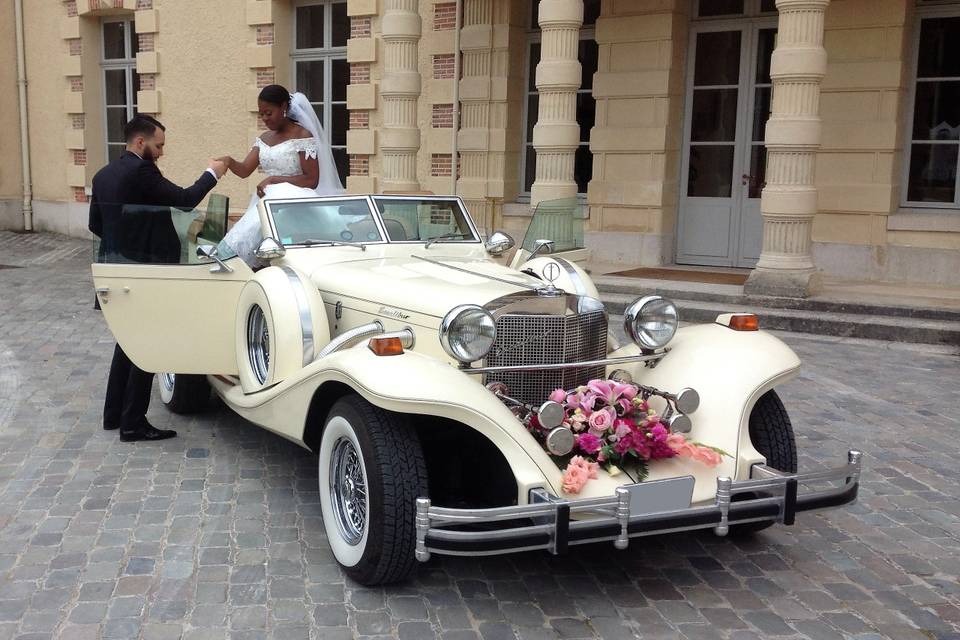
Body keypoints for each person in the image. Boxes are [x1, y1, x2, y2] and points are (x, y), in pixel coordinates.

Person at [89, 114, 227, 442]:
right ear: (141, 142)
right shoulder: (142, 170)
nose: (161, 152)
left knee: (126, 342)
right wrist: (213, 173)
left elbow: (96, 224)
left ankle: (114, 414)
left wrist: (126, 239)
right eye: (159, 145)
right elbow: (185, 200)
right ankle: (133, 423)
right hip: (148, 272)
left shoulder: (103, 174)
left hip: (117, 268)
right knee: (148, 346)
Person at [218, 84, 344, 264]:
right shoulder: (264, 139)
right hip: (266, 202)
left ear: (283, 107)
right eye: (261, 114)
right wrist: (229, 161)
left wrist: (274, 179)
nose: (264, 119)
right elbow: (245, 170)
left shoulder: (302, 135)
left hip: (294, 204)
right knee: (246, 243)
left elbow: (311, 179)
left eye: (268, 113)